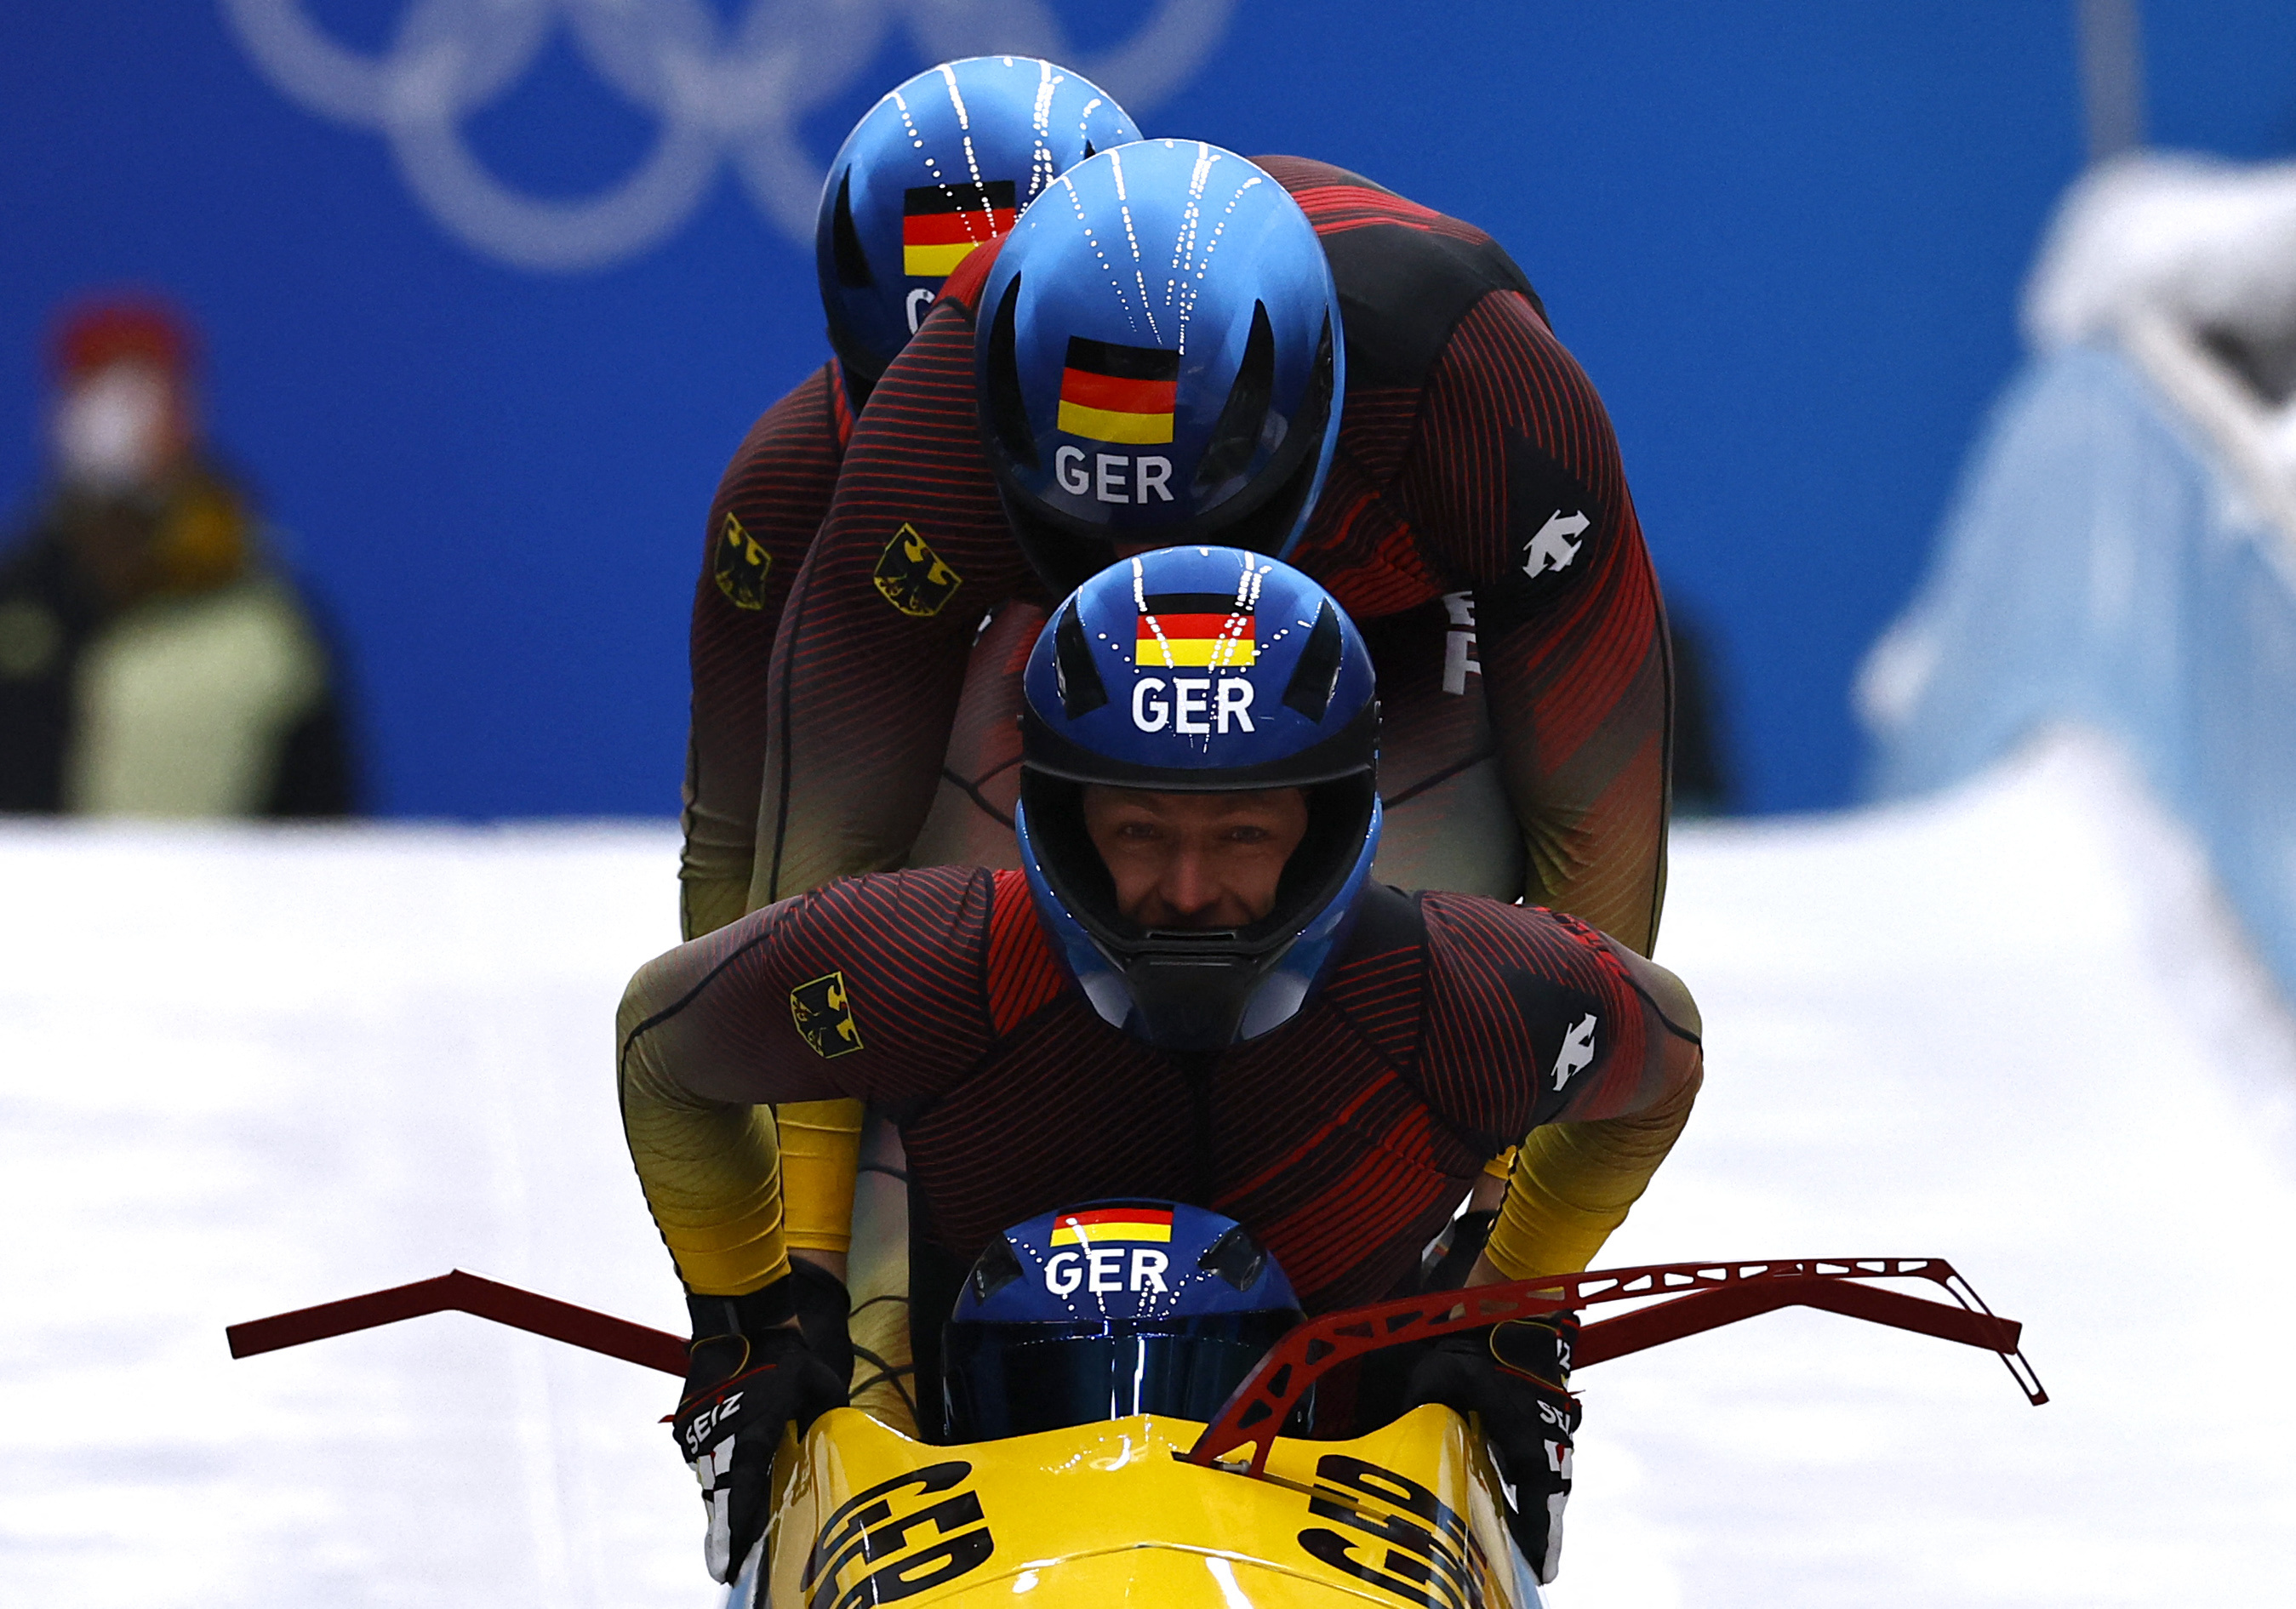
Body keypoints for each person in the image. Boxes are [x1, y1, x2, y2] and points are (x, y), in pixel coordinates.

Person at [619, 549, 1704, 1585]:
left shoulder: (1463, 994)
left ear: (1323, 822)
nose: (1186, 890)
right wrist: (752, 1324)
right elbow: (662, 1052)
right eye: (1139, 829)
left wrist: (1511, 1307)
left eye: (1240, 833)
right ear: (1064, 818)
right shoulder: (922, 963)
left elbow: (1663, 1060)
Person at [680, 56, 1139, 939]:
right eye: (920, 396)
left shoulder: (1229, 415)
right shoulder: (782, 486)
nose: (956, 454)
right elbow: (733, 839)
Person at [0, 295, 357, 816]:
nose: (118, 420)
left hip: (211, 896)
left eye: (141, 392)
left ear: (186, 411)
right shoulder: (19, 596)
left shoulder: (261, 615)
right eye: (96, 391)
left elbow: (321, 816)